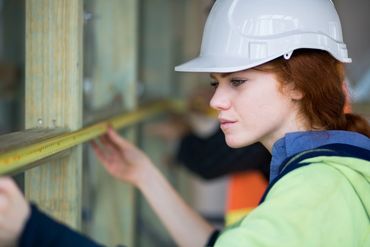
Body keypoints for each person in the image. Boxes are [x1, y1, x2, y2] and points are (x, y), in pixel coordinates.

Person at [0, 0, 369, 246]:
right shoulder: (333, 172)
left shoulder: (314, 192)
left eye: (237, 81)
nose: (215, 101)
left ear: (296, 84)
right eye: (216, 83)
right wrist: (145, 175)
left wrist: (30, 228)